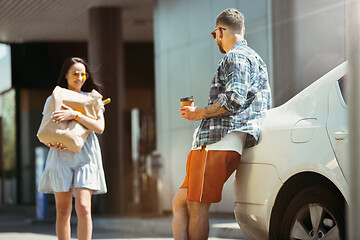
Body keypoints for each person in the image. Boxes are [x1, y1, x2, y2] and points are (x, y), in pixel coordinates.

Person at [172, 8, 272, 240]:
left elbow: (234, 100)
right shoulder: (256, 58)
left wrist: (199, 113)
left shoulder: (235, 56)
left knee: (196, 206)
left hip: (218, 142)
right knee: (180, 202)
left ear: (219, 31)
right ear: (242, 30)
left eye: (214, 34)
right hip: (224, 141)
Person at [38, 57, 107, 240]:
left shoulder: (93, 98)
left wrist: (75, 114)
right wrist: (50, 143)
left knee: (84, 208)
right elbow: (46, 129)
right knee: (63, 211)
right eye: (75, 73)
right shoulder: (54, 98)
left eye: (83, 74)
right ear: (66, 75)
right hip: (60, 156)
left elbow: (99, 127)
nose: (80, 77)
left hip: (86, 156)